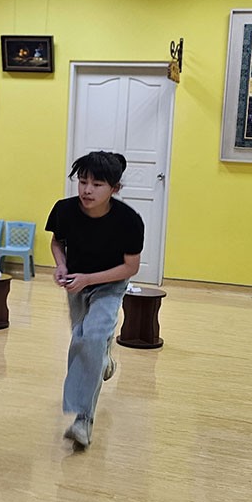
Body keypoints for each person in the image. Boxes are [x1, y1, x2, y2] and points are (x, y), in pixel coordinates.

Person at [46, 150, 144, 448]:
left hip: (110, 285)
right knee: (83, 340)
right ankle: (102, 357)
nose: (87, 190)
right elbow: (57, 242)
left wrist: (89, 279)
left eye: (97, 184)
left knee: (91, 337)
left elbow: (130, 267)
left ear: (115, 188)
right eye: (83, 181)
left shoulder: (129, 221)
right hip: (77, 283)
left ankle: (83, 420)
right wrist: (61, 266)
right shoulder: (64, 210)